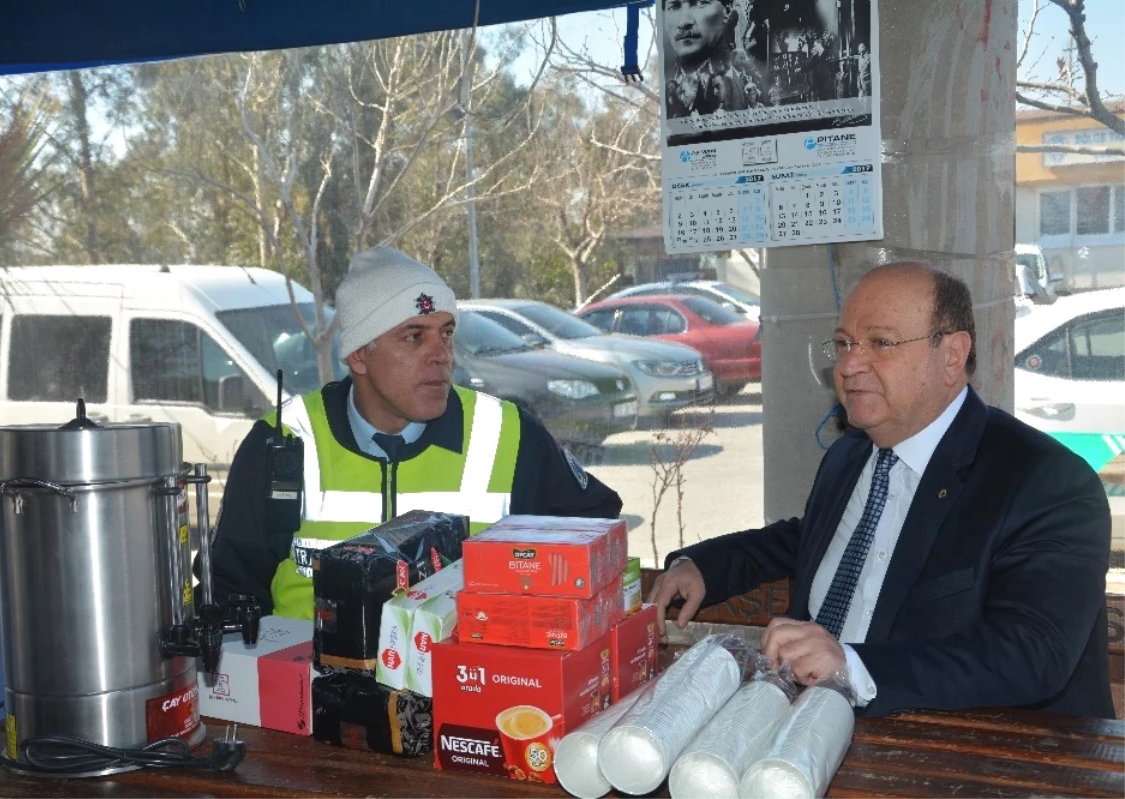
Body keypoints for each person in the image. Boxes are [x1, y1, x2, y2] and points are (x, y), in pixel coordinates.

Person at [649, 262, 1113, 719]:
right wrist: (706, 566)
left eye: (881, 343)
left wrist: (853, 667)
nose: (849, 365)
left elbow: (1034, 653)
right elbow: (810, 539)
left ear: (952, 355)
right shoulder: (851, 454)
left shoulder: (1046, 481)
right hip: (807, 725)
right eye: (844, 343)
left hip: (976, 750)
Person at [210, 246, 623, 619]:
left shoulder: (509, 435)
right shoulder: (283, 441)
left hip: (466, 688)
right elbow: (231, 593)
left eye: (446, 333)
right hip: (309, 691)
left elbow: (595, 540)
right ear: (358, 354)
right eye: (414, 337)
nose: (441, 356)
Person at [663, 0, 738, 117]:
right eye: (674, 6)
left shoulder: (742, 75)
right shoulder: (664, 88)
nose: (683, 22)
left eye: (699, 3)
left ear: (727, 9)